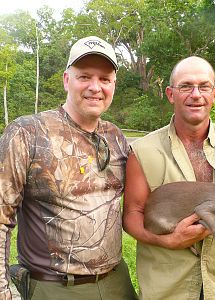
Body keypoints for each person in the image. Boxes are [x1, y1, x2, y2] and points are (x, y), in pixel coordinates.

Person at [0, 36, 137, 300]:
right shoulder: (27, 132)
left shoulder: (116, 137)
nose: (95, 87)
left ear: (114, 85)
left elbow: (139, 202)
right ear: (66, 80)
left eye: (105, 79)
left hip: (116, 283)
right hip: (54, 288)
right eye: (84, 76)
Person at [123, 56, 215, 300]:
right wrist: (167, 241)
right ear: (171, 94)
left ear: (214, 94)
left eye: (204, 86)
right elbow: (132, 215)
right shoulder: (142, 151)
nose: (196, 94)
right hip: (167, 287)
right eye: (185, 86)